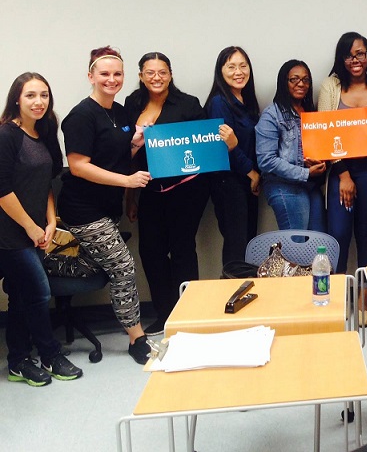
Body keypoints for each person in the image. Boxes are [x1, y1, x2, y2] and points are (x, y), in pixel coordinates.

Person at [58, 47, 152, 364]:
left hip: (108, 207)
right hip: (82, 210)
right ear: (91, 77)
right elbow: (79, 166)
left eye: (117, 74)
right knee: (123, 268)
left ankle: (62, 262)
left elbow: (118, 156)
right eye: (104, 74)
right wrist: (127, 183)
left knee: (114, 265)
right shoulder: (81, 116)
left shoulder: (121, 112)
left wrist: (136, 144)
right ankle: (136, 338)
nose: (111, 79)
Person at [0, 73, 83, 386]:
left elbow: (47, 182)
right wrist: (31, 227)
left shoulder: (46, 132)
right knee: (39, 291)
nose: (38, 102)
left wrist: (50, 221)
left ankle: (18, 361)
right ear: (17, 100)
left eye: (44, 95)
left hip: (36, 227)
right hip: (9, 234)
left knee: (22, 295)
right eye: (31, 95)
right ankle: (49, 354)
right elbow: (2, 190)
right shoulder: (7, 135)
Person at [124, 52, 215, 335]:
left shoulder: (188, 104)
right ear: (141, 76)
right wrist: (130, 196)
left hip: (187, 190)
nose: (156, 78)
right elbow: (128, 152)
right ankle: (164, 314)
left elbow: (205, 146)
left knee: (182, 249)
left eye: (162, 72)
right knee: (150, 251)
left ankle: (187, 314)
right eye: (150, 73)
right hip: (149, 187)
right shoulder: (131, 104)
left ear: (170, 74)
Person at [318, 32, 367, 275]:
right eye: (349, 55)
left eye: (360, 53)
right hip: (342, 171)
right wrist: (344, 175)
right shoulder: (330, 88)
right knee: (338, 233)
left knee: (366, 234)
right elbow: (324, 132)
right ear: (341, 59)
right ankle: (337, 294)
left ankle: (365, 295)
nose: (355, 60)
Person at [205, 46, 261, 266]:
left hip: (246, 182)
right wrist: (252, 172)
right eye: (231, 67)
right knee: (237, 246)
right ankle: (231, 296)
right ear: (221, 71)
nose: (239, 72)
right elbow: (227, 147)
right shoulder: (219, 102)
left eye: (243, 66)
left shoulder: (246, 101)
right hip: (228, 182)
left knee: (248, 243)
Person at [257, 60, 326, 231]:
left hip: (311, 185)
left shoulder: (311, 113)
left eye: (306, 80)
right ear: (283, 82)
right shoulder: (271, 115)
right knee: (297, 246)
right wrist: (304, 172)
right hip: (284, 186)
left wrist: (318, 163)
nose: (301, 84)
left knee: (318, 244)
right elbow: (266, 160)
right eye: (294, 79)